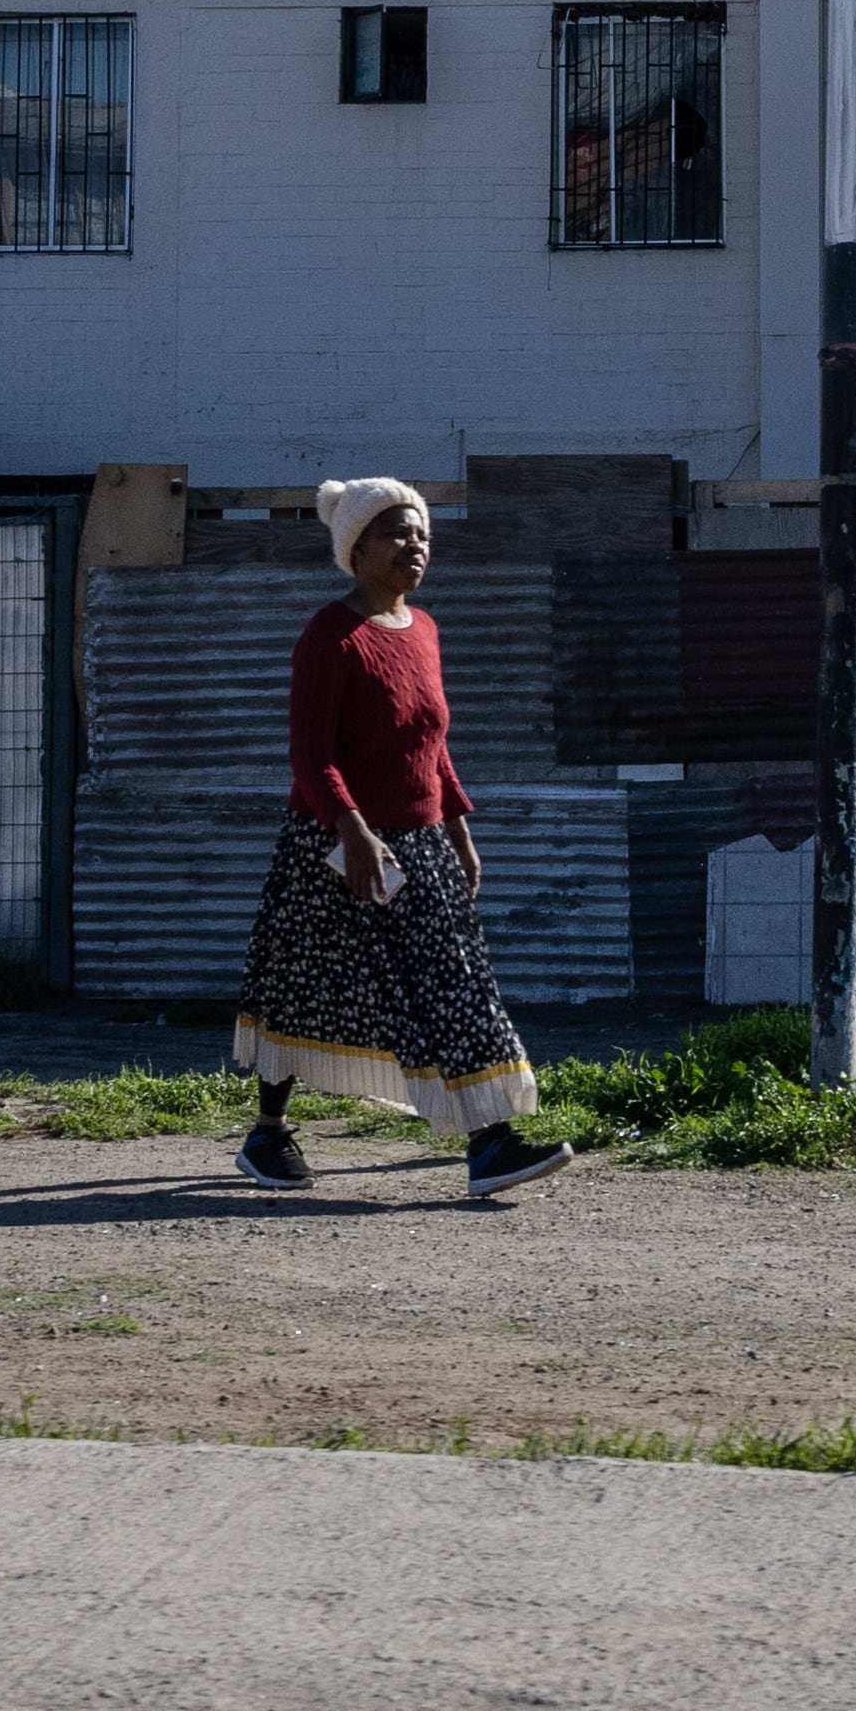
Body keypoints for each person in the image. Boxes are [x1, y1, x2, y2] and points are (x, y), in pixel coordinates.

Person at [230, 477, 571, 1199]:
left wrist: (459, 830)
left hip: (420, 846)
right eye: (395, 532)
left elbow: (433, 745)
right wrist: (353, 834)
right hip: (334, 844)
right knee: (301, 986)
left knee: (456, 984)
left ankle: (491, 1142)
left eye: (421, 532)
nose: (414, 544)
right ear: (356, 550)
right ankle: (268, 1132)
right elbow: (310, 754)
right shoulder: (331, 634)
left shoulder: (424, 630)